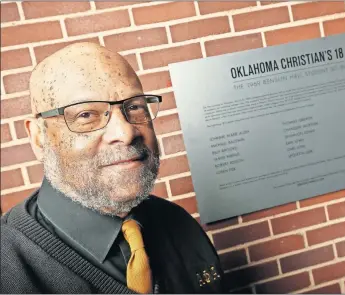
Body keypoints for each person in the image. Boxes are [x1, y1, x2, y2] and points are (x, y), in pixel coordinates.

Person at [1, 42, 226, 294]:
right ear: (39, 138)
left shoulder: (181, 225)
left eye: (135, 107)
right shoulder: (8, 271)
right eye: (86, 114)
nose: (126, 132)